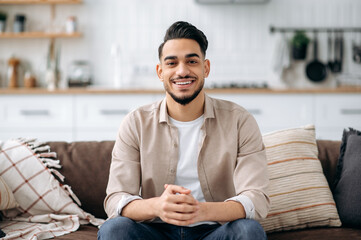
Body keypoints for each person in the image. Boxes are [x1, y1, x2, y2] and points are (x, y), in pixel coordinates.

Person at [98, 21, 270, 240]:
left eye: (191, 61)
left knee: (249, 231)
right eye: (172, 63)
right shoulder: (135, 123)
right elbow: (116, 199)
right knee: (114, 230)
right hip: (155, 230)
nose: (182, 71)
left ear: (205, 68)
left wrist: (201, 211)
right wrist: (158, 206)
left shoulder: (240, 120)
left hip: (215, 231)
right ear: (160, 72)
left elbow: (256, 198)